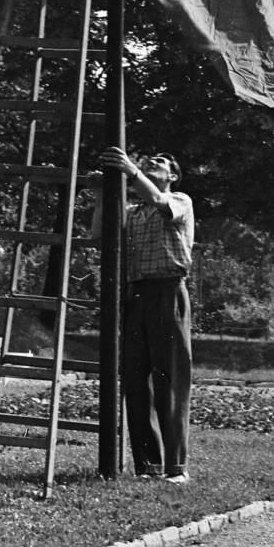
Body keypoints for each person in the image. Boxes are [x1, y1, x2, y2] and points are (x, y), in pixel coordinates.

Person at [100, 146, 195, 482]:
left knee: (169, 379)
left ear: (173, 176)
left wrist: (129, 170)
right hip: (135, 294)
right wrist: (102, 193)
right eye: (148, 160)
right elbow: (100, 232)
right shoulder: (132, 211)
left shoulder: (180, 200)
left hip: (168, 291)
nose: (154, 162)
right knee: (135, 382)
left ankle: (175, 468)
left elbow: (159, 202)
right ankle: (148, 466)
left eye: (163, 161)